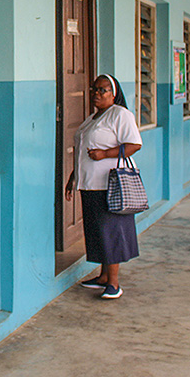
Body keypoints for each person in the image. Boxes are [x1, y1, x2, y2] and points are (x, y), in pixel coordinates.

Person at [65, 74, 143, 299]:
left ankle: (114, 283)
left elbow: (134, 144)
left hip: (110, 183)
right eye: (94, 89)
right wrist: (73, 178)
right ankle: (102, 277)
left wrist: (104, 154)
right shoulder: (93, 117)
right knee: (97, 230)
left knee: (112, 231)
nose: (96, 94)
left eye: (102, 90)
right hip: (89, 184)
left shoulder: (120, 114)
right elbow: (82, 152)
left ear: (114, 93)